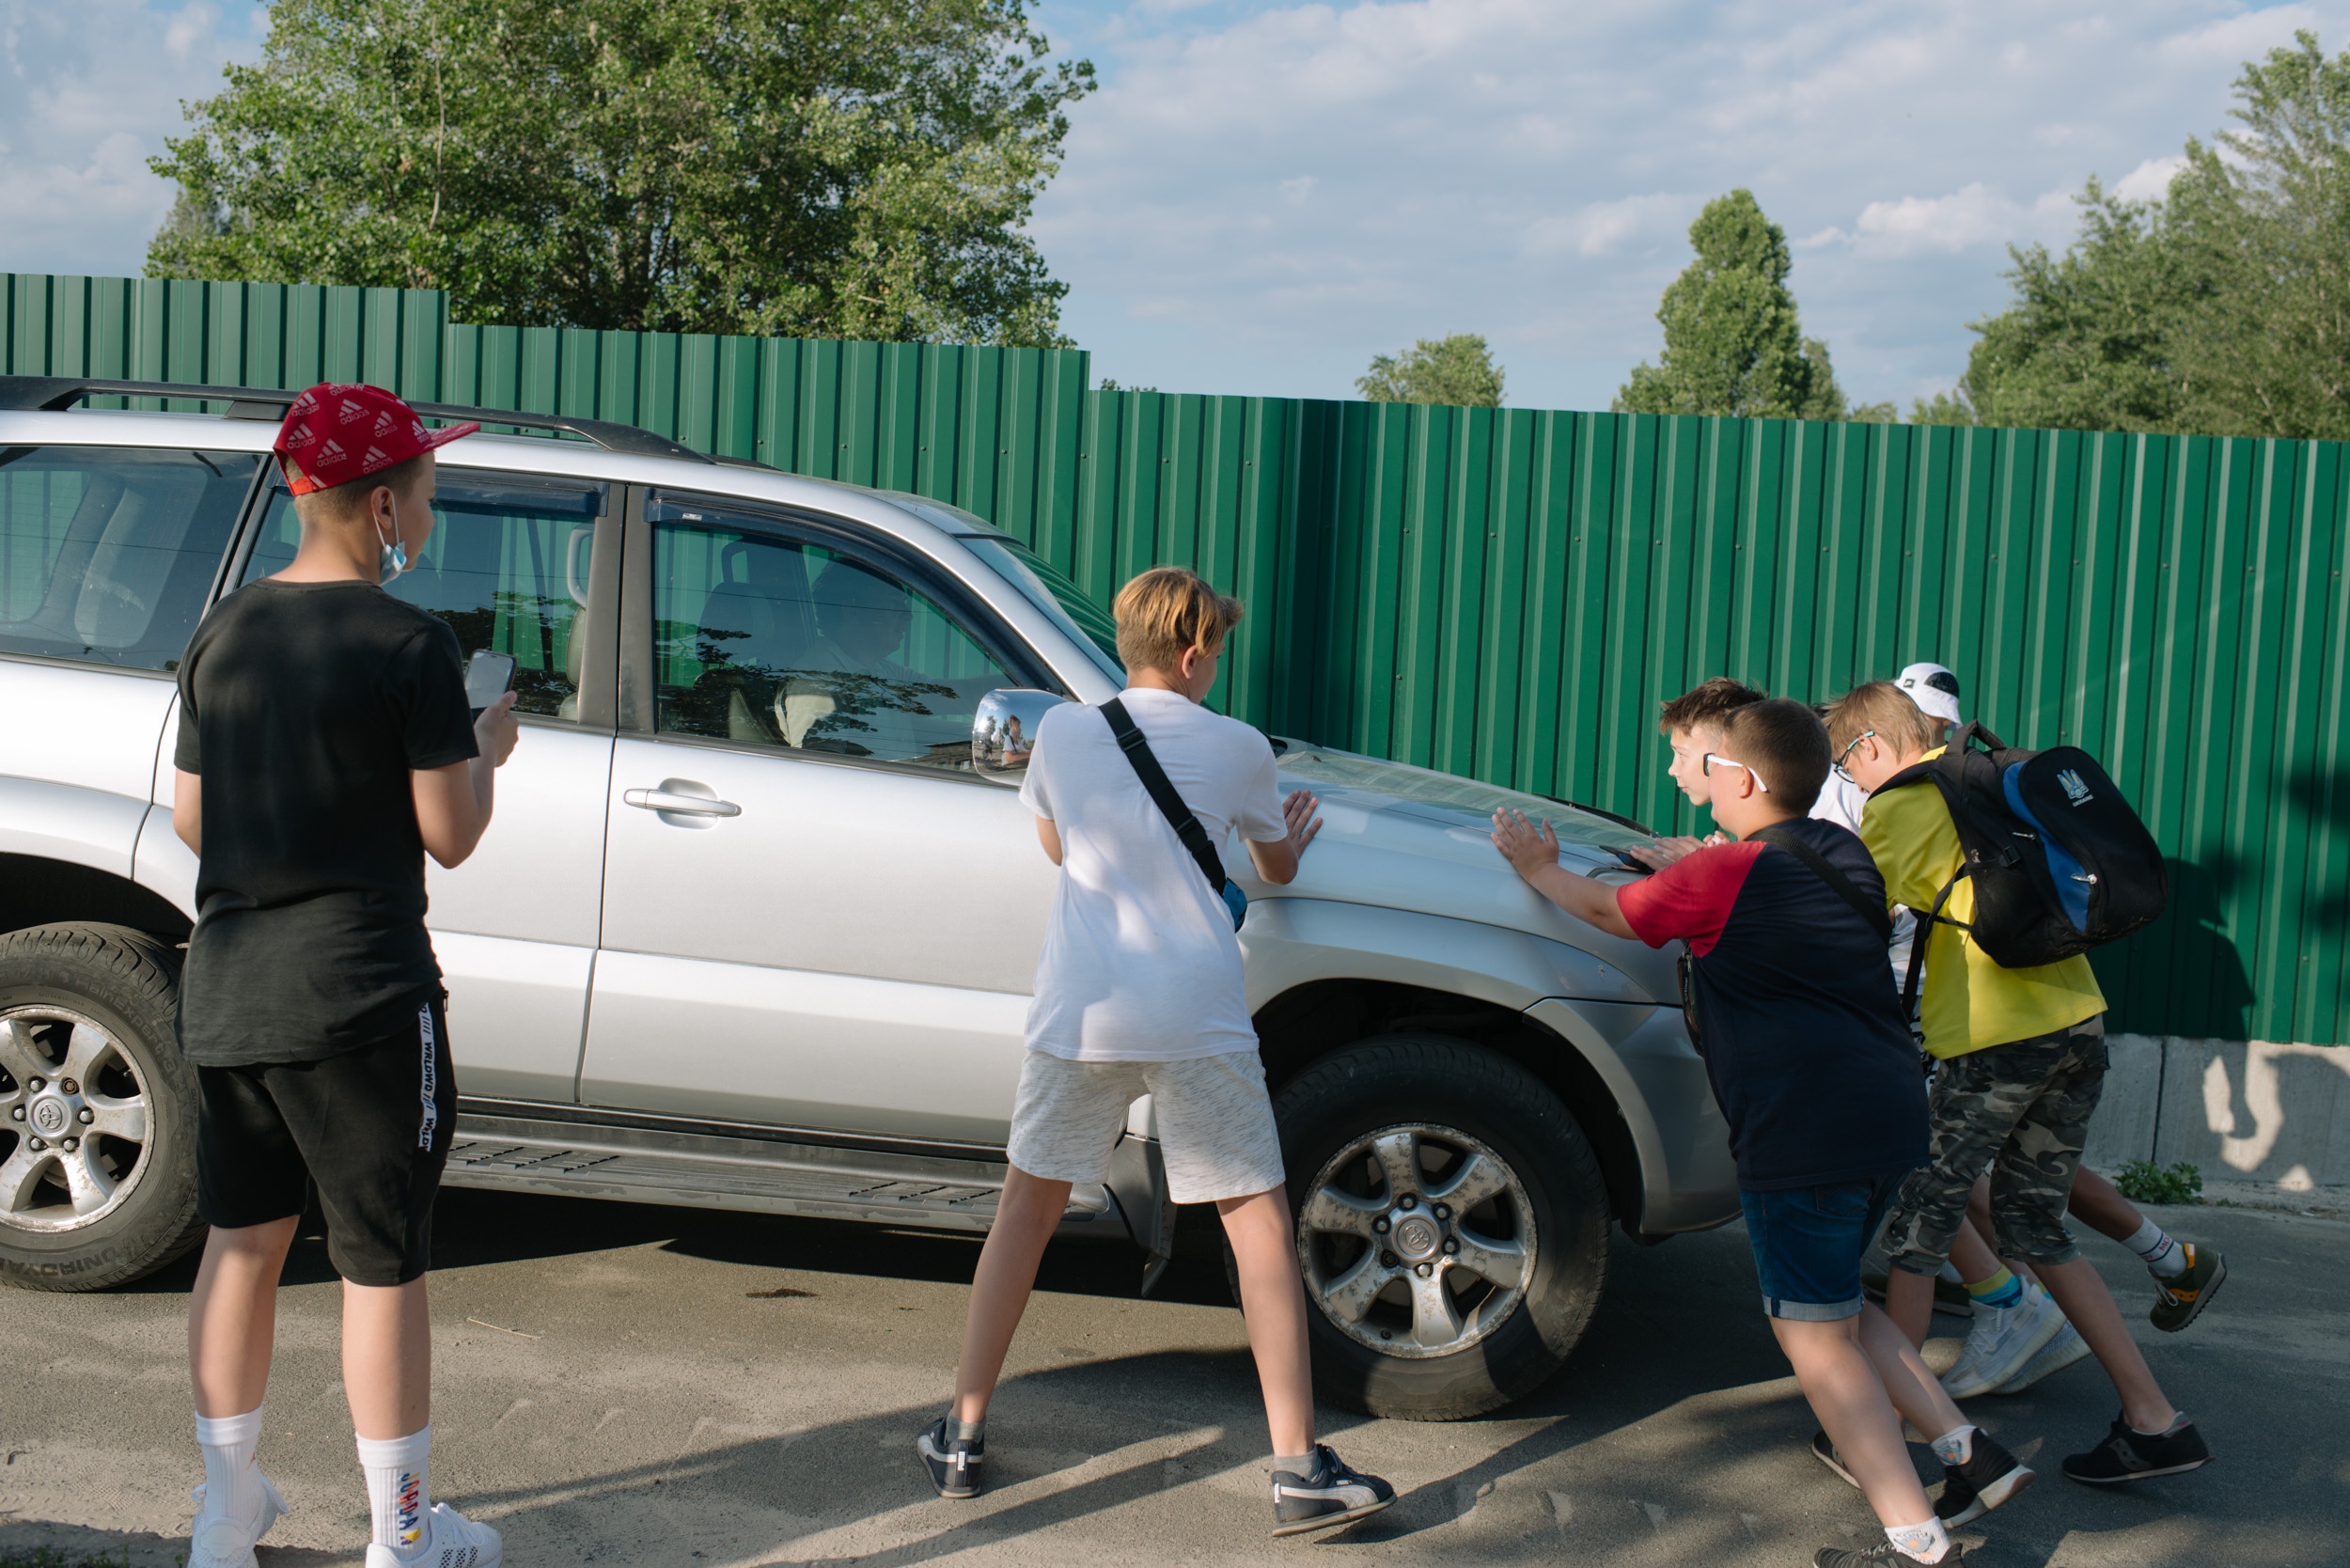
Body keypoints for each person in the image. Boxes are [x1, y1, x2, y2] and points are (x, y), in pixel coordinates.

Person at [920, 565, 1396, 1538]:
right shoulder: (1238, 748)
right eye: (1215, 648)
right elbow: (1269, 867)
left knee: (1028, 1208)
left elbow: (1059, 846)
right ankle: (1298, 1465)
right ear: (1191, 654)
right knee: (1252, 1217)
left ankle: (962, 1435)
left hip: (1084, 1010)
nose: (1216, 662)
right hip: (1194, 1013)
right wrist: (1285, 842)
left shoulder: (1060, 730)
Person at [1496, 697, 2028, 1566]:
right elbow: (1760, 899)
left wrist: (1535, 865)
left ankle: (1915, 1541)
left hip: (1802, 1128)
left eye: (1704, 764)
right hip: (1890, 1111)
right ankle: (1973, 1456)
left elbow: (1611, 913)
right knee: (1843, 1311)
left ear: (1739, 777)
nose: (1693, 773)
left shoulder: (1724, 875)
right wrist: (1700, 861)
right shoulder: (1840, 852)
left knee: (1814, 1340)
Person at [173, 384, 518, 1568]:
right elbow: (452, 832)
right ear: (382, 506)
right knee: (382, 1264)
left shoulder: (224, 630)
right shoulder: (411, 643)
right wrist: (483, 745)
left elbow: (190, 819)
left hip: (226, 986)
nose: (430, 502)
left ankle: (224, 1515)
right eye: (425, 484)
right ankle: (404, 1537)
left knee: (241, 1240)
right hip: (361, 998)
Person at [1825, 682, 2215, 1487]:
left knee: (1916, 1229)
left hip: (1998, 1042)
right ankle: (2154, 1421)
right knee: (2038, 1229)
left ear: (1868, 747)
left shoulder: (1901, 804)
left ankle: (1899, 1431)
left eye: (1844, 763)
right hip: (2079, 1023)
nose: (1849, 781)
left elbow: (1856, 911)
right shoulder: (1987, 776)